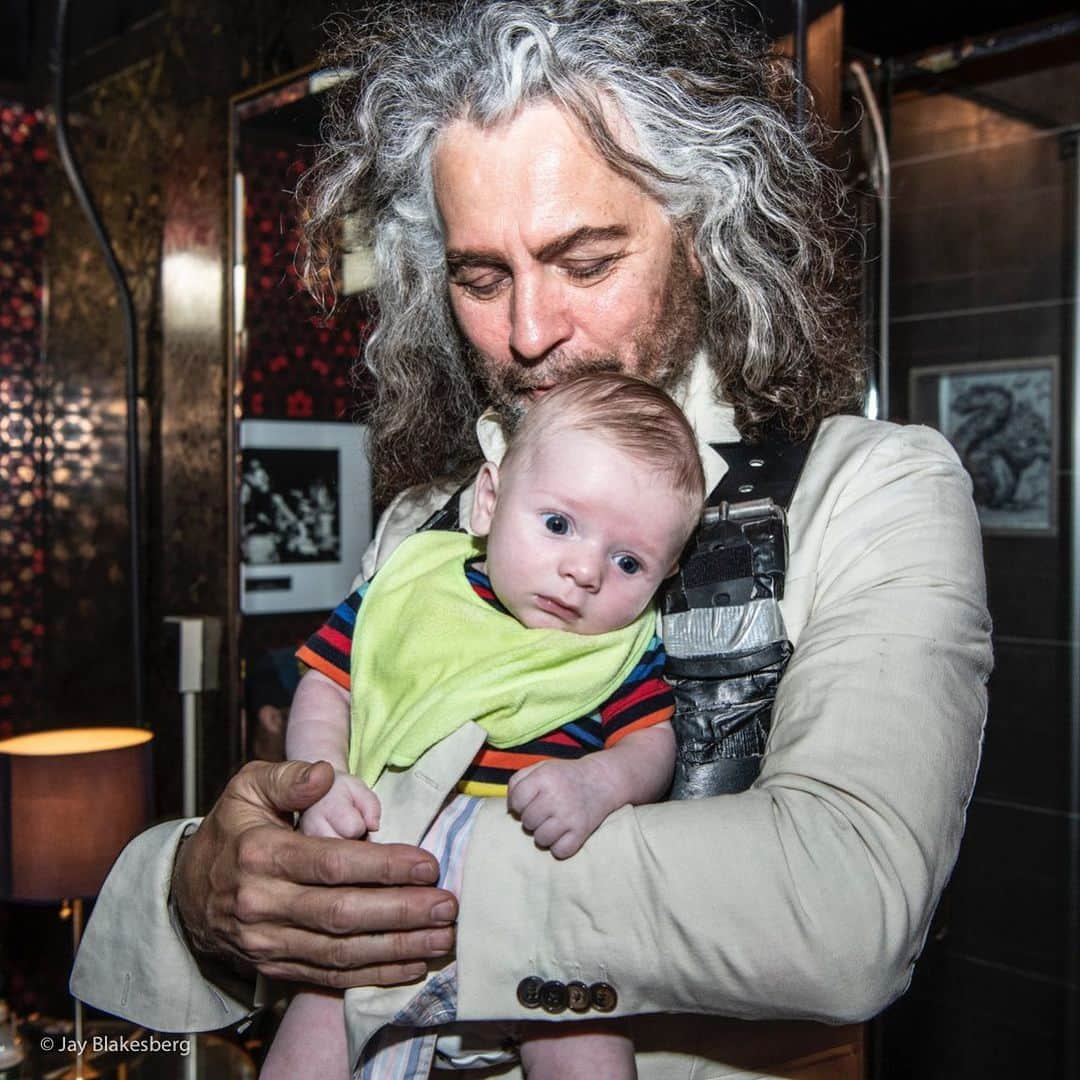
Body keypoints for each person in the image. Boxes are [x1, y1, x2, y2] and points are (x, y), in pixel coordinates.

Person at [71, 3, 992, 1077]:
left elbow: (848, 908)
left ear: (703, 229)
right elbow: (322, 796)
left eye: (586, 262)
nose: (528, 331)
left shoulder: (872, 488)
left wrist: (407, 870)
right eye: (480, 277)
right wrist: (202, 886)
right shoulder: (430, 522)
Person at [264, 374, 703, 1078]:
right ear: (490, 502)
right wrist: (323, 778)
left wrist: (597, 783)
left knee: (588, 1050)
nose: (584, 570)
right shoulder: (411, 588)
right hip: (385, 906)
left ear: (665, 574)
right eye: (558, 524)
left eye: (629, 562)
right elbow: (328, 682)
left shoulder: (618, 650)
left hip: (545, 924)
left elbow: (653, 741)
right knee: (315, 1035)